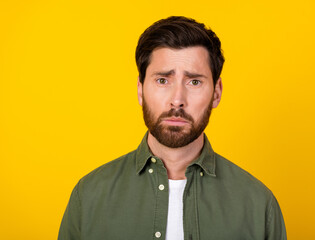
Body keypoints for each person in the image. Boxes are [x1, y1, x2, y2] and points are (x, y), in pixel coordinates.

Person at [58, 16, 287, 240]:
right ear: (140, 89)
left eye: (194, 81)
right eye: (162, 80)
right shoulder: (88, 196)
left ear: (216, 93)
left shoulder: (259, 206)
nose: (177, 100)